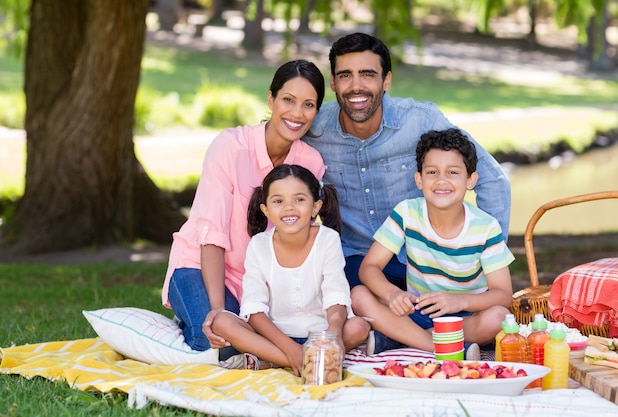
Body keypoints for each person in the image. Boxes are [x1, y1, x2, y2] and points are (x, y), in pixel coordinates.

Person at [302, 32, 511, 290]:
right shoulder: (313, 130)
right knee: (360, 304)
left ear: (386, 80)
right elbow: (274, 157)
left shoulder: (421, 121)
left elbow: (492, 179)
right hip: (357, 259)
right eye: (345, 75)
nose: (356, 86)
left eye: (367, 74)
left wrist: (488, 261)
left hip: (424, 258)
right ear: (333, 83)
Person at [161, 60, 328, 355]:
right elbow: (211, 234)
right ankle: (293, 357)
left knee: (257, 340)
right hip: (199, 265)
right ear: (271, 99)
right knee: (216, 343)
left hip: (257, 281)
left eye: (308, 105)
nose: (297, 114)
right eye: (288, 100)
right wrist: (218, 311)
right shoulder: (230, 147)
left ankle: (280, 352)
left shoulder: (310, 162)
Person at [351, 128, 514, 357]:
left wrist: (458, 302)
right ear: (419, 179)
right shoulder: (407, 213)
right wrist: (392, 295)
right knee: (358, 295)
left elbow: (503, 294)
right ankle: (439, 347)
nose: (441, 181)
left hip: (465, 317)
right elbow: (369, 268)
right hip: (417, 311)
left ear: (470, 180)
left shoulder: (485, 227)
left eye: (453, 172)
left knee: (499, 318)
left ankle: (400, 339)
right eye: (432, 172)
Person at [211, 164, 370, 374]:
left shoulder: (328, 239)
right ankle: (301, 360)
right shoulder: (259, 245)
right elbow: (254, 308)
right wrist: (291, 348)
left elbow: (336, 295)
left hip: (320, 335)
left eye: (299, 199)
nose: (289, 208)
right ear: (266, 210)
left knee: (359, 327)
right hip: (275, 336)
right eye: (278, 201)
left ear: (316, 207)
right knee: (221, 321)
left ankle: (277, 360)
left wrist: (334, 332)